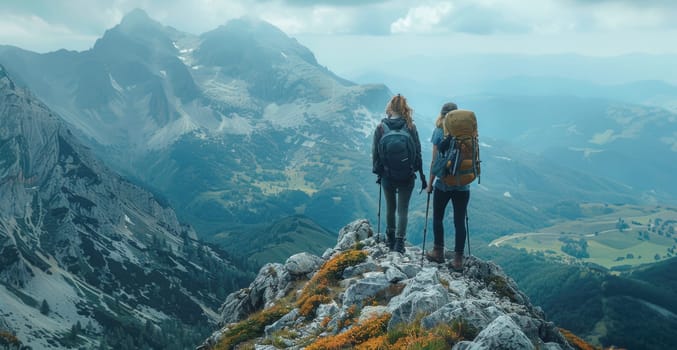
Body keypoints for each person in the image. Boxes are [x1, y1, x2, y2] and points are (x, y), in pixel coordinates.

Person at [372, 94, 425, 253]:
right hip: (407, 175)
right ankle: (400, 243)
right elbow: (417, 151)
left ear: (390, 108)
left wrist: (379, 172)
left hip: (387, 175)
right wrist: (417, 171)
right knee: (403, 210)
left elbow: (375, 153)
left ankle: (390, 238)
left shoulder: (381, 128)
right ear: (405, 108)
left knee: (390, 208)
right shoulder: (410, 126)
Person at [425, 102, 470, 270]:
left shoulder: (438, 131)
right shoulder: (466, 132)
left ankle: (438, 252)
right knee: (460, 221)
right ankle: (458, 259)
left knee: (438, 218)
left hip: (443, 183)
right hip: (463, 185)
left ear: (442, 114)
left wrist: (430, 184)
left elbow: (435, 161)